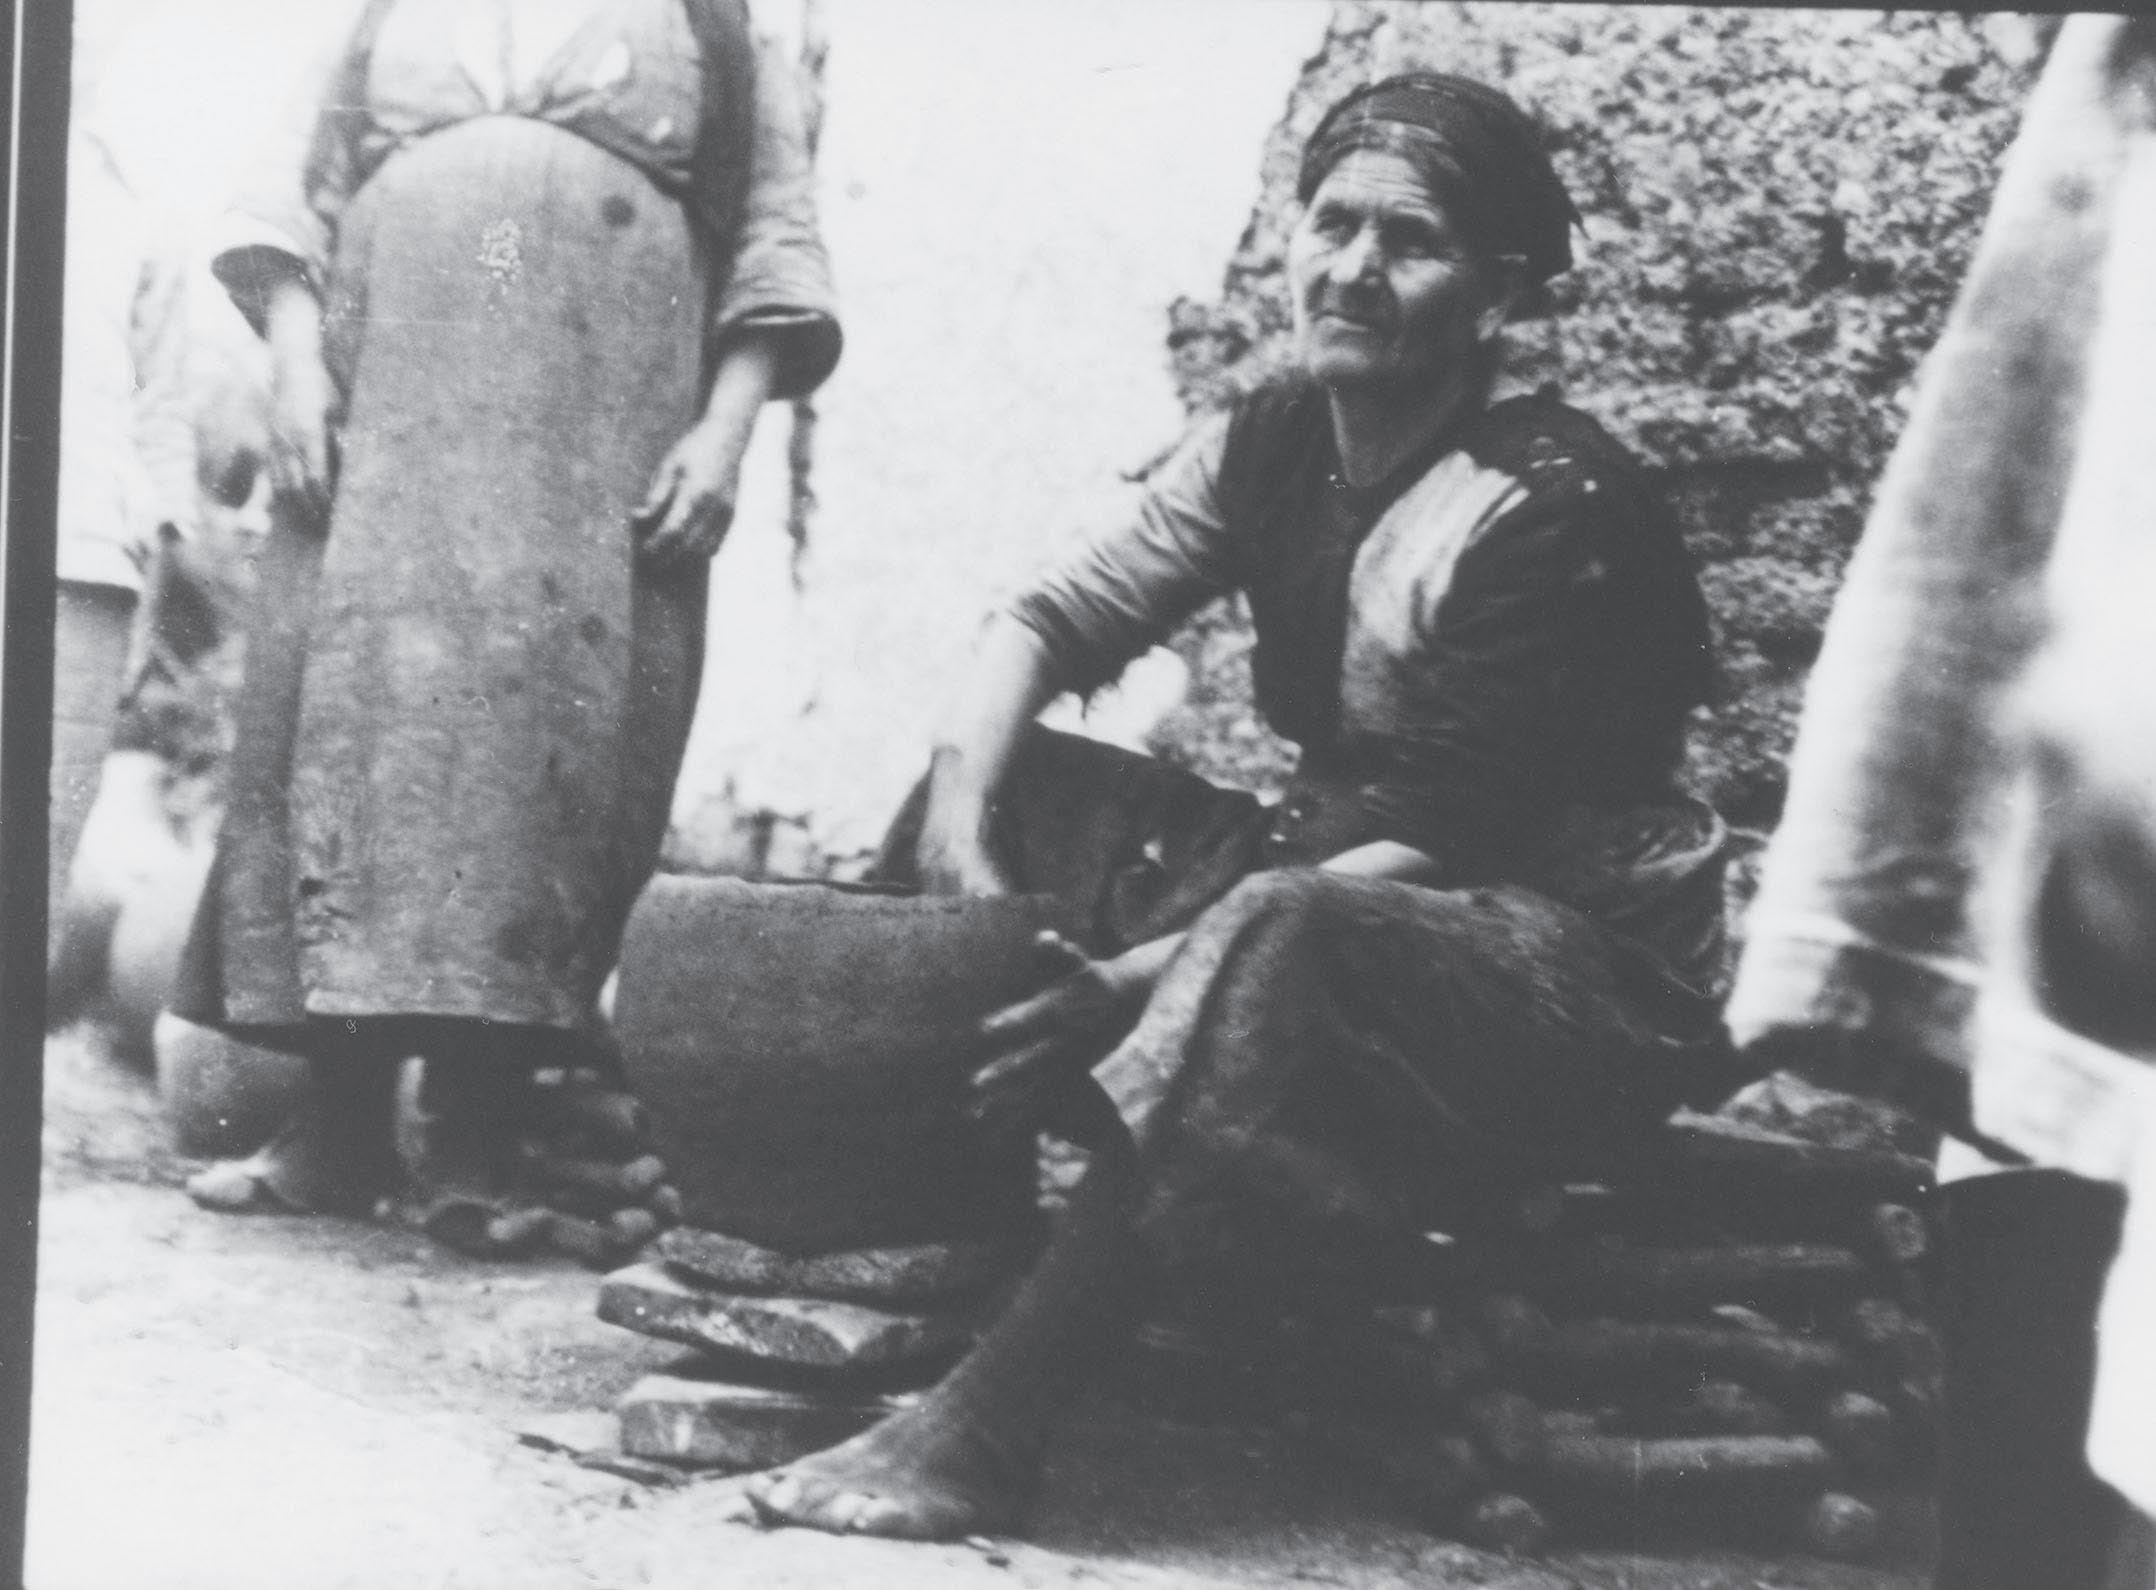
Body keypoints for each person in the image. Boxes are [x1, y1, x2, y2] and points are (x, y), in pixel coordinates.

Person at [744, 72, 1734, 1542]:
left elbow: (1452, 827)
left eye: (1412, 242)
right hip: (1343, 884)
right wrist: (962, 830)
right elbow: (1046, 620)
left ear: (1500, 293)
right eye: (1331, 224)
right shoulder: (1275, 440)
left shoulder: (1550, 501)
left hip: (1569, 971)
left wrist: (1134, 980)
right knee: (1024, 787)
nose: (1354, 270)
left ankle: (991, 1417)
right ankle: (905, 1291)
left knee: (1282, 922)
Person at [176, 0, 841, 1242]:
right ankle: (336, 1130)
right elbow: (290, 194)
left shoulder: (715, 26)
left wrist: (724, 431)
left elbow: (773, 236)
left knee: (539, 767)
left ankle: (478, 1142)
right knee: (351, 729)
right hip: (385, 422)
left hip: (595, 441)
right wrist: (298, 366)